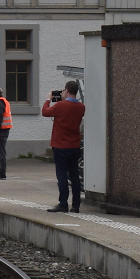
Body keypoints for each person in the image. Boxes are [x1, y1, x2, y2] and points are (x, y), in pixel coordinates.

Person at [42, 79, 86, 212]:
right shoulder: (81, 107)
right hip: (74, 145)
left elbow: (45, 112)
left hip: (60, 145)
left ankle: (63, 203)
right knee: (74, 176)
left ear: (66, 91)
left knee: (61, 175)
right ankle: (76, 205)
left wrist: (48, 99)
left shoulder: (61, 106)